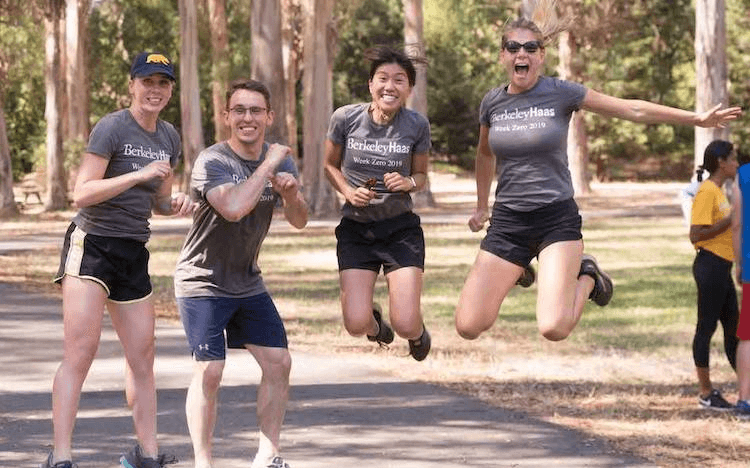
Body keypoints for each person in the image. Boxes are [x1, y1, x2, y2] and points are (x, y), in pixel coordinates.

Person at [454, 12, 742, 345]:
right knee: (468, 325)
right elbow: (485, 153)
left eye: (531, 47)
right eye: (513, 47)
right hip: (508, 223)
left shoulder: (561, 92)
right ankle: (519, 265)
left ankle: (588, 273)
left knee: (554, 328)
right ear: (503, 55)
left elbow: (631, 110)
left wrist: (694, 118)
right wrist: (480, 206)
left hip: (555, 220)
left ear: (541, 55)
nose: (522, 53)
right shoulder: (492, 102)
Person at [42, 52, 191, 468]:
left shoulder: (169, 137)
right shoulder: (112, 127)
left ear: (170, 91)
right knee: (81, 351)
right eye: (147, 81)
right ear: (132, 84)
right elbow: (82, 192)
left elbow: (158, 201)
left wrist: (173, 202)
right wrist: (137, 175)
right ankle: (62, 457)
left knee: (142, 355)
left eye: (163, 83)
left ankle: (146, 454)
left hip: (132, 251)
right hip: (93, 246)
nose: (155, 90)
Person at [173, 78, 307, 468]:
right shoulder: (212, 161)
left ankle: (268, 453)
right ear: (227, 116)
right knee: (210, 371)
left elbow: (299, 220)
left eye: (255, 110)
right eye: (240, 111)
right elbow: (233, 208)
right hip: (202, 281)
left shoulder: (280, 160)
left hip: (247, 281)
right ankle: (203, 462)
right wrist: (267, 165)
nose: (248, 118)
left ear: (269, 116)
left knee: (279, 363)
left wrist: (292, 195)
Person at [323, 45, 432, 361]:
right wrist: (348, 191)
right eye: (382, 78)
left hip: (400, 230)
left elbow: (422, 174)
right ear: (371, 84)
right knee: (356, 324)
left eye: (399, 80)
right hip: (356, 229)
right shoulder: (345, 118)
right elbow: (329, 165)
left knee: (407, 323)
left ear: (409, 88)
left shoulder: (417, 125)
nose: (390, 86)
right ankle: (375, 326)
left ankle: (416, 332)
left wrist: (409, 182)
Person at [689, 140, 739, 411]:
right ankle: (706, 392)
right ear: (721, 162)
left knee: (734, 330)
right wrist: (731, 220)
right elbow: (695, 235)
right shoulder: (707, 191)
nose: (737, 163)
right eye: (733, 158)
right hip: (710, 266)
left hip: (722, 267)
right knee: (706, 328)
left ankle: (747, 390)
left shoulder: (719, 191)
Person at [732, 149, 750, 419]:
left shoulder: (742, 175)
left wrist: (738, 263)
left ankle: (744, 399)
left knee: (747, 336)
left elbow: (736, 224)